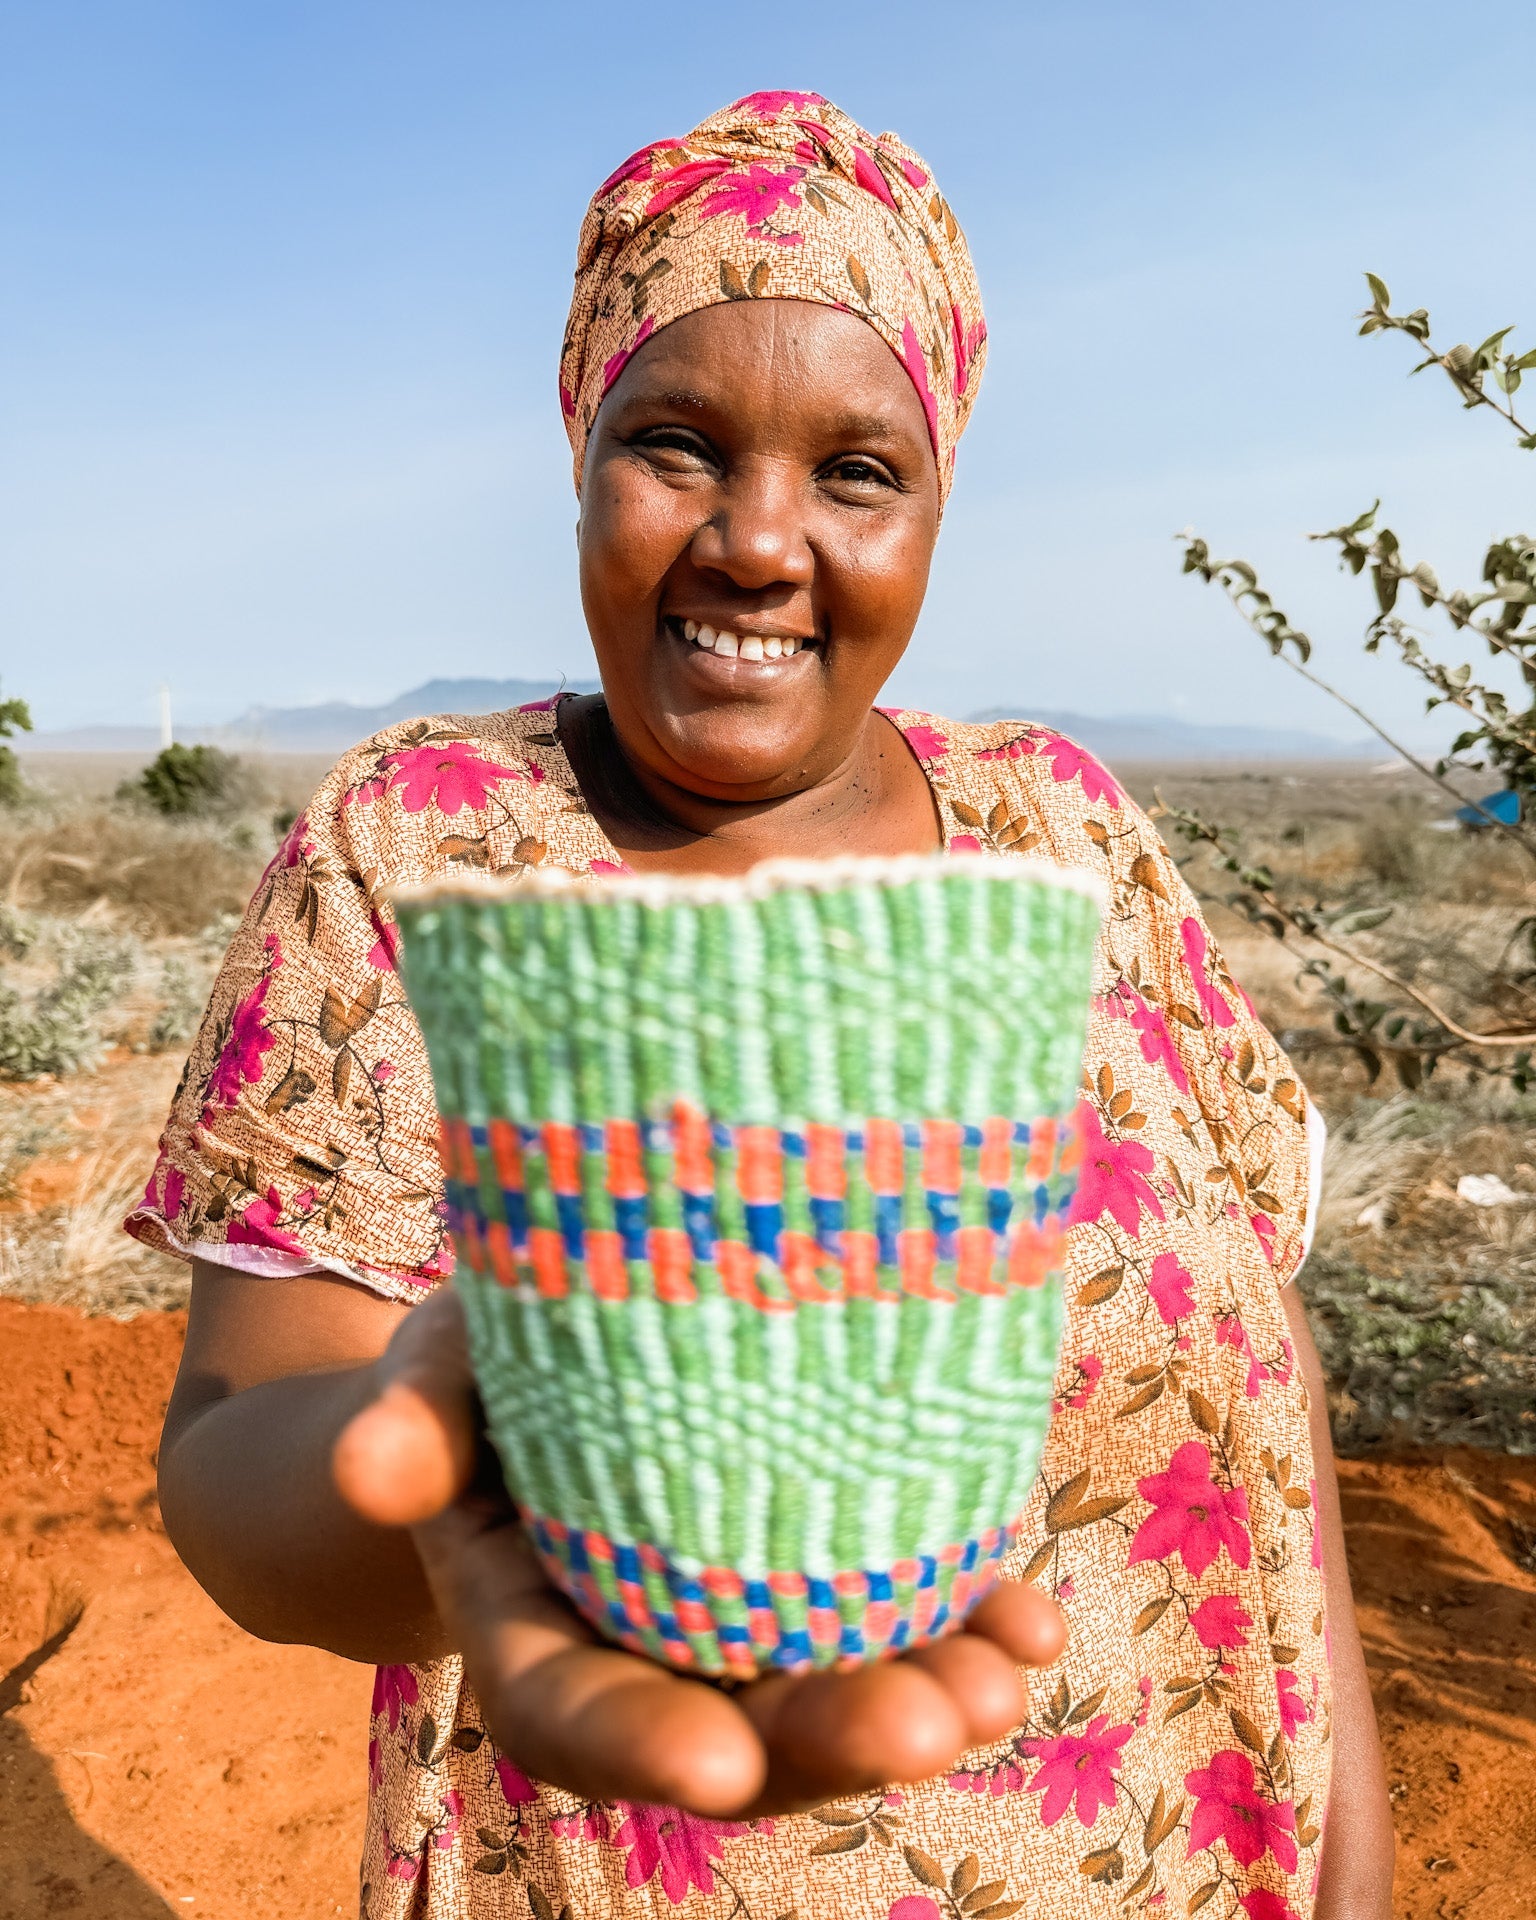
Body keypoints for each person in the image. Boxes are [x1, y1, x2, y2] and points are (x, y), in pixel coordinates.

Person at [131, 90, 1394, 1919]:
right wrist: (468, 1452)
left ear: (935, 505)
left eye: (856, 471)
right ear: (579, 458)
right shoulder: (422, 846)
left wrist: (1347, 1856)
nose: (756, 539)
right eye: (678, 445)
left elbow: (1263, 1385)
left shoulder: (1066, 832)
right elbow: (243, 1467)